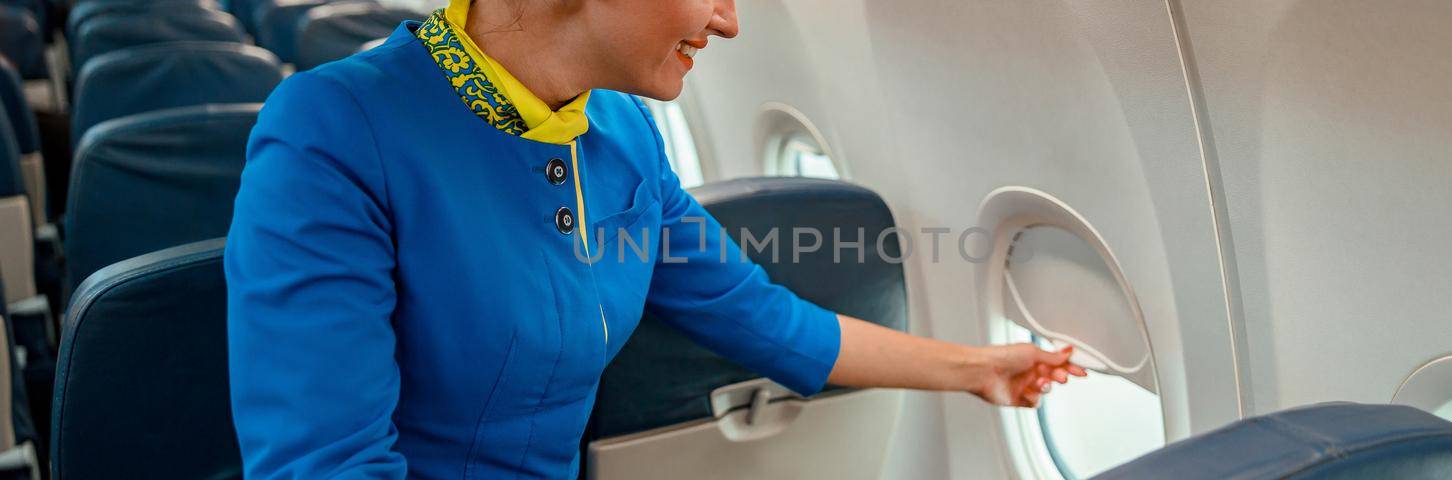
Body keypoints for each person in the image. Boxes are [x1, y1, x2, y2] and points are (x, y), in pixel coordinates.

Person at [224, 0, 1087, 478]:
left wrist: (977, 369)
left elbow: (762, 318)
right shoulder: (336, 127)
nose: (729, 19)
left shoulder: (624, 133)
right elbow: (326, 467)